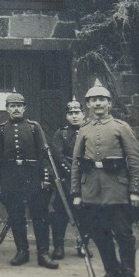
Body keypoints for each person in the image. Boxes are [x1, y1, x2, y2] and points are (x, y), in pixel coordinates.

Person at [71, 80, 139, 277]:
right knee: (98, 233)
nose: (97, 104)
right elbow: (76, 162)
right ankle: (113, 272)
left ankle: (129, 276)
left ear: (109, 103)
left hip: (117, 190)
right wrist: (76, 192)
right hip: (92, 191)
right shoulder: (84, 130)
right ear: (88, 104)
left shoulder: (121, 127)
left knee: (123, 234)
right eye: (93, 100)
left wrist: (135, 190)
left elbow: (136, 160)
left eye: (101, 99)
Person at [0, 92, 58, 269]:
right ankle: (22, 251)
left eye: (19, 106)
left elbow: (44, 155)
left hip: (33, 179)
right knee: (16, 216)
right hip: (11, 179)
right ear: (6, 109)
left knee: (39, 216)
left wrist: (45, 178)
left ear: (24, 108)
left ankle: (43, 253)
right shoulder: (1, 129)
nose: (16, 109)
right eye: (12, 106)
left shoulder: (34, 127)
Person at [48, 97, 86, 259]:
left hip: (86, 178)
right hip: (65, 179)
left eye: (77, 112)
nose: (74, 116)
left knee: (84, 213)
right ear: (66, 116)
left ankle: (82, 244)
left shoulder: (88, 131)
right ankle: (58, 246)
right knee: (60, 213)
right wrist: (71, 172)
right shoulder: (61, 133)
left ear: (83, 114)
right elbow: (58, 156)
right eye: (71, 113)